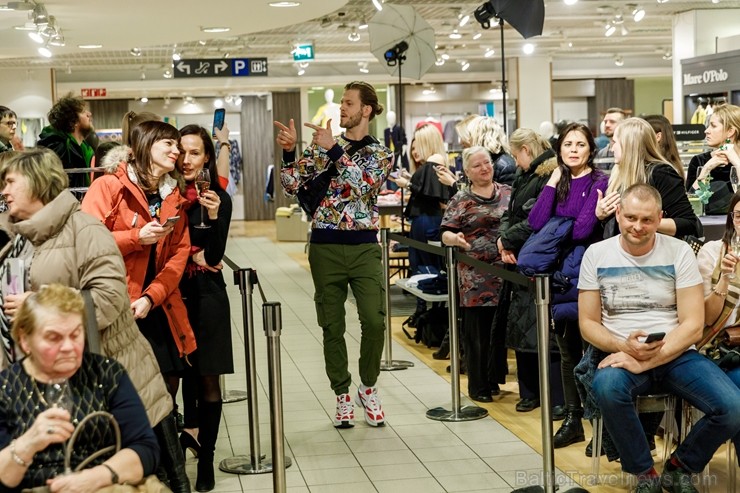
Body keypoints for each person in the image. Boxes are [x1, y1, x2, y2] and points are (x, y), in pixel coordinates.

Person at [0, 148, 187, 492]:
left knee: (150, 473)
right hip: (52, 386)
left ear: (37, 182)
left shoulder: (84, 229)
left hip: (113, 379)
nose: (4, 191)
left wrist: (40, 305)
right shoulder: (18, 240)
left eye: (10, 181)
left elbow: (109, 299)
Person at [579, 183, 740, 493]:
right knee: (607, 388)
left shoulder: (678, 251)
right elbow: (587, 323)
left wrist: (649, 358)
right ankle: (644, 475)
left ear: (660, 218)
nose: (638, 227)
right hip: (622, 352)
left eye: (647, 220)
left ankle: (681, 466)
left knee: (733, 407)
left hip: (678, 351)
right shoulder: (597, 254)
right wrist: (622, 347)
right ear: (618, 213)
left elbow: (693, 325)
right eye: (631, 218)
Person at [81, 121, 195, 492]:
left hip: (156, 307)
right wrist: (135, 237)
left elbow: (179, 254)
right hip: (115, 310)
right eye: (168, 143)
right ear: (145, 145)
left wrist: (152, 297)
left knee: (164, 390)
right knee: (129, 398)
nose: (176, 151)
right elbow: (86, 243)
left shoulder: (172, 193)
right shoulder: (108, 186)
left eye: (177, 146)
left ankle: (168, 479)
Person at [275, 81, 393, 428]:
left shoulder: (381, 153)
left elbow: (365, 185)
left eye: (348, 103)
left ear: (366, 109)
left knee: (374, 320)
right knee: (331, 324)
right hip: (325, 245)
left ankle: (367, 386)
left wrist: (334, 151)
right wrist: (289, 152)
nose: (342, 108)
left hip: (364, 247)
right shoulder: (324, 145)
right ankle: (342, 395)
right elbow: (291, 184)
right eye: (341, 103)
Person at [0, 283, 160, 490]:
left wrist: (94, 478)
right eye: (53, 337)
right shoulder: (7, 388)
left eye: (75, 335)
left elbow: (146, 449)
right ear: (25, 340)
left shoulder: (105, 373)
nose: (68, 347)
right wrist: (28, 443)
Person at [528, 122, 609, 449]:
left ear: (590, 149)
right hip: (557, 272)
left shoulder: (599, 181)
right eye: (567, 145)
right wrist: (552, 182)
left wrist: (558, 226)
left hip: (588, 270)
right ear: (559, 149)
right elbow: (535, 222)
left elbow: (583, 229)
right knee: (566, 349)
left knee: (594, 349)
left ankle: (599, 424)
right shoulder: (556, 181)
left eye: (580, 144)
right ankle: (573, 419)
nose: (573, 149)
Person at [175, 124, 233, 492]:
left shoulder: (218, 198)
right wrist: (188, 252)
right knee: (175, 377)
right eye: (181, 152)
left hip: (208, 293)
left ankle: (207, 459)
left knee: (209, 378)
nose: (185, 159)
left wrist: (211, 221)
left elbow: (213, 255)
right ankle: (179, 446)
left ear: (207, 157)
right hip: (172, 294)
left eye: (194, 153)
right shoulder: (166, 194)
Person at [497, 128, 564, 415]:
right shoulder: (528, 175)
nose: (515, 161)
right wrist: (504, 240)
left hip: (540, 259)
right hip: (519, 258)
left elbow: (538, 219)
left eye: (516, 155)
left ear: (526, 149)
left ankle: (553, 397)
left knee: (545, 333)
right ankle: (530, 392)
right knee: (522, 327)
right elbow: (510, 214)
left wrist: (507, 239)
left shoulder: (549, 176)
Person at [440, 146, 511, 402]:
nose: (485, 168)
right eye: (478, 165)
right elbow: (445, 232)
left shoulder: (507, 193)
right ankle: (478, 386)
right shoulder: (461, 198)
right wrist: (455, 239)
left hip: (505, 274)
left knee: (497, 331)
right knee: (477, 334)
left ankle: (493, 381)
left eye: (488, 162)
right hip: (474, 276)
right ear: (468, 172)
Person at [597, 117, 700, 239]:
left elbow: (688, 223)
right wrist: (601, 215)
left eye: (615, 143)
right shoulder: (618, 173)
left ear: (629, 145)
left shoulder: (661, 173)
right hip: (622, 252)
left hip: (656, 253)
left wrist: (645, 222)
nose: (611, 148)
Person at [696, 192, 740, 465]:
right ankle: (686, 461)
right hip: (718, 348)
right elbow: (706, 319)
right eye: (739, 216)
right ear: (732, 220)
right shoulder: (714, 252)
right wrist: (724, 280)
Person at [390, 123, 451, 318]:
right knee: (421, 265)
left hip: (427, 221)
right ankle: (425, 316)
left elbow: (430, 194)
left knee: (425, 266)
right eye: (413, 147)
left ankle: (427, 316)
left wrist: (407, 183)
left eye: (417, 146)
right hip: (424, 221)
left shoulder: (435, 161)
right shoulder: (431, 165)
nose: (414, 152)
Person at [686, 104, 740, 215]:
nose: (706, 131)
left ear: (730, 131)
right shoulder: (699, 161)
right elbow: (691, 204)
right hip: (708, 226)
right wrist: (706, 169)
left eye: (713, 126)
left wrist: (737, 164)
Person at [36, 93, 94, 189]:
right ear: (73, 121)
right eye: (83, 111)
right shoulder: (57, 147)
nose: (89, 114)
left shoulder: (84, 148)